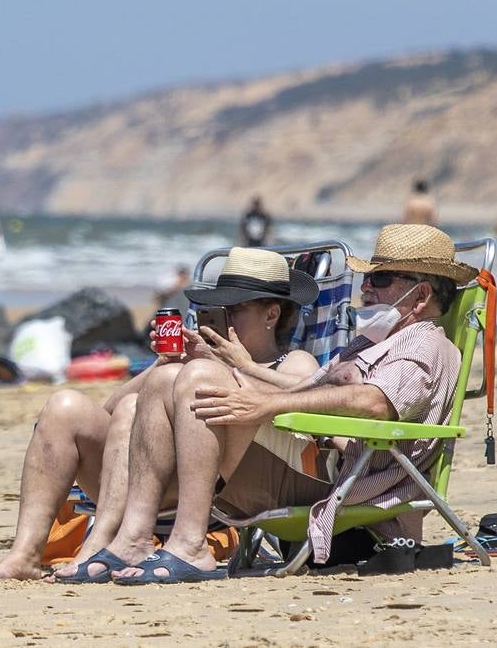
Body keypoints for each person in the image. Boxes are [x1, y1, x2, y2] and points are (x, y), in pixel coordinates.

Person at [72, 224, 471, 583]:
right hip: (325, 469)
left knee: (196, 381)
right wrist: (241, 366)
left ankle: (191, 542)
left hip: (348, 484)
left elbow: (373, 404)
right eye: (367, 278)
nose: (364, 288)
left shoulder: (426, 345)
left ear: (420, 294)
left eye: (379, 279)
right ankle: (136, 537)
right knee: (165, 378)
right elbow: (309, 386)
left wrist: (266, 405)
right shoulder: (369, 343)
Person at [0, 247, 319, 582]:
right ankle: (26, 554)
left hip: (226, 487)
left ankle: (132, 540)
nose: (222, 317)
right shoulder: (196, 365)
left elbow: (313, 402)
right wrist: (161, 367)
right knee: (66, 407)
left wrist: (221, 366)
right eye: (218, 308)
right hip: (148, 479)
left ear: (271, 315)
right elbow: (108, 415)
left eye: (234, 308)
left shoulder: (294, 361)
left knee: (190, 381)